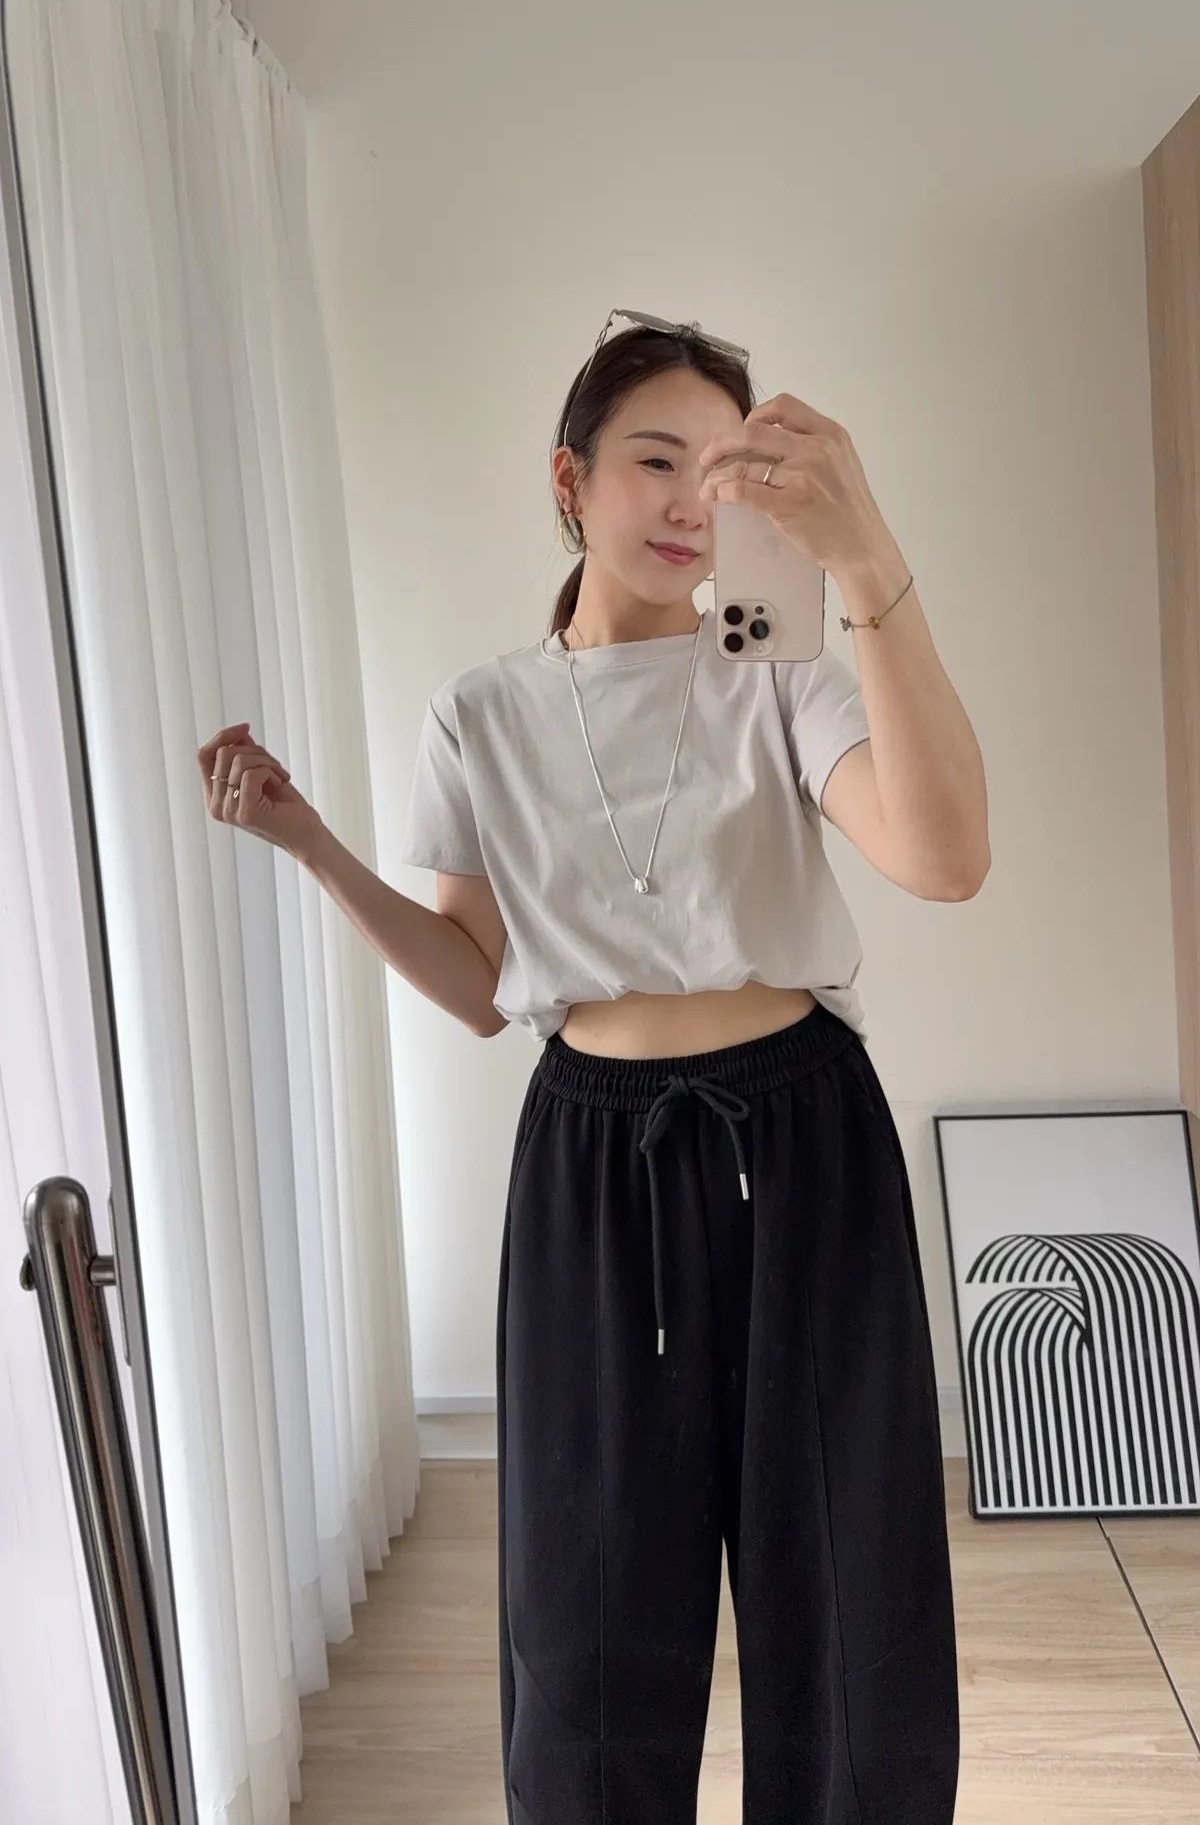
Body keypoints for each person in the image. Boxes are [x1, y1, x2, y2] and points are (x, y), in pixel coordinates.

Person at [199, 310, 989, 1825]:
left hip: (805, 1141)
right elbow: (479, 985)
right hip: (592, 1161)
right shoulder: (483, 713)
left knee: (845, 1580)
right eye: (656, 461)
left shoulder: (787, 675)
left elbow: (946, 859)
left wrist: (868, 565)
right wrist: (311, 846)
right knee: (587, 1597)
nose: (695, 501)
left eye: (728, 470)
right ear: (570, 480)